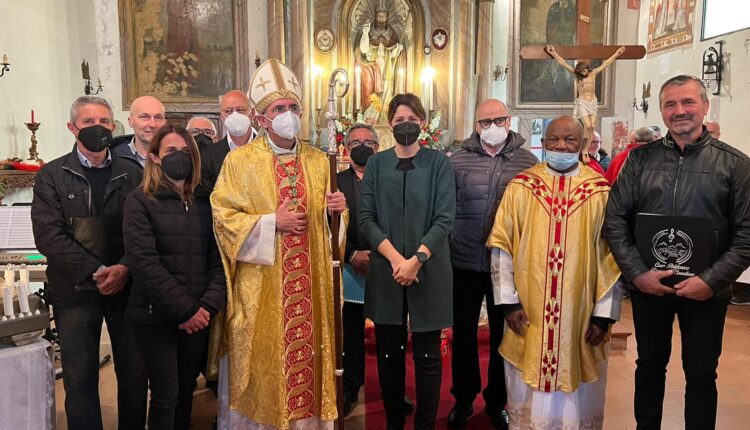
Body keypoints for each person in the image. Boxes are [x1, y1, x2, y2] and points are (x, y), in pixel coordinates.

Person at [604, 75, 750, 430]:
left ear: (705, 106)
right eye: (670, 104)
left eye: (688, 102)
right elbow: (615, 221)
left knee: (701, 373)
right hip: (650, 287)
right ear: (661, 110)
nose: (679, 111)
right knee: (648, 367)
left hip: (706, 291)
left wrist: (711, 281)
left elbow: (746, 233)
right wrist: (637, 273)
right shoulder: (638, 161)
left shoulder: (735, 165)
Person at [209, 59, 347, 429]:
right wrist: (272, 223)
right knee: (263, 368)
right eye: (278, 109)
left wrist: (335, 212)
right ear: (261, 118)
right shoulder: (240, 162)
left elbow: (334, 230)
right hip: (263, 290)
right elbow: (223, 218)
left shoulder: (319, 161)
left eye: (293, 108)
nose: (288, 115)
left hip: (310, 289)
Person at [487, 115, 622, 430]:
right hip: (529, 310)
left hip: (580, 313)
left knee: (577, 392)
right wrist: (509, 302)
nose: (561, 145)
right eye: (554, 139)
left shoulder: (599, 191)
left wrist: (604, 316)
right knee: (528, 383)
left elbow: (612, 257)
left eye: (570, 139)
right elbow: (502, 246)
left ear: (582, 144)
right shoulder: (522, 187)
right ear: (543, 142)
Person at [31, 96, 147, 430]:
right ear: (72, 128)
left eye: (104, 122)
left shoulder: (133, 172)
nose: (98, 128)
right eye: (88, 122)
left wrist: (124, 267)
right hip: (74, 291)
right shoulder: (52, 175)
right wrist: (96, 270)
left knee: (134, 374)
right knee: (79, 379)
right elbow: (49, 236)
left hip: (127, 289)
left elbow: (144, 230)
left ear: (113, 125)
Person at [360, 93, 456, 429]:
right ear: (390, 124)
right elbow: (366, 217)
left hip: (428, 269)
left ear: (423, 123)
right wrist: (397, 260)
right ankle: (393, 424)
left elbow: (445, 218)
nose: (406, 125)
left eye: (412, 120)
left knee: (428, 356)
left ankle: (425, 425)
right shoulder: (376, 164)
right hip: (387, 269)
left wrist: (416, 260)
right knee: (389, 356)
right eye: (400, 120)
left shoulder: (439, 163)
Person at [123, 124, 226, 430]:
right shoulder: (140, 200)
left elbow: (219, 259)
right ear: (155, 157)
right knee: (165, 395)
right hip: (155, 316)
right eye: (170, 151)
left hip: (198, 315)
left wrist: (207, 306)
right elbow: (144, 263)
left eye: (185, 151)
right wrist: (186, 311)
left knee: (184, 392)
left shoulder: (205, 202)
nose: (179, 157)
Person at [447, 98, 537, 430]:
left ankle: (497, 401)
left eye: (498, 120)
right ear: (476, 125)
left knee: (504, 334)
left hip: (507, 265)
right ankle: (463, 398)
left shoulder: (528, 162)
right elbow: (447, 208)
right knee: (464, 334)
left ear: (509, 121)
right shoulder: (457, 160)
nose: (493, 127)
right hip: (464, 260)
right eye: (485, 122)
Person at [338, 123, 380, 416]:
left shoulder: (390, 179)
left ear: (377, 147)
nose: (362, 147)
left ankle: (392, 389)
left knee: (389, 332)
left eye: (368, 142)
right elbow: (325, 223)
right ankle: (350, 387)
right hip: (349, 266)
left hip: (385, 263)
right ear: (346, 149)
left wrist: (379, 254)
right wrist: (351, 253)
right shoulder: (335, 181)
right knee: (351, 332)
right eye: (355, 143)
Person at [545, 45, 626, 149]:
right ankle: (583, 147)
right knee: (587, 126)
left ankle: (586, 148)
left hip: (593, 102)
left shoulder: (593, 73)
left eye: (585, 70)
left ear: (588, 69)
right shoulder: (576, 75)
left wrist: (618, 53)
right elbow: (564, 63)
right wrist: (553, 53)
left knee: (592, 126)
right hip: (583, 102)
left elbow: (605, 64)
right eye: (582, 72)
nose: (584, 73)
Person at [199, 89, 257, 194]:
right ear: (222, 117)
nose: (235, 115)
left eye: (240, 110)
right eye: (228, 111)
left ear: (252, 113)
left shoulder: (269, 148)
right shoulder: (207, 156)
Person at [113, 95, 166, 167]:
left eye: (158, 118)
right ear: (130, 122)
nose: (153, 124)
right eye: (145, 117)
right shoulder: (114, 157)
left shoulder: (175, 156)